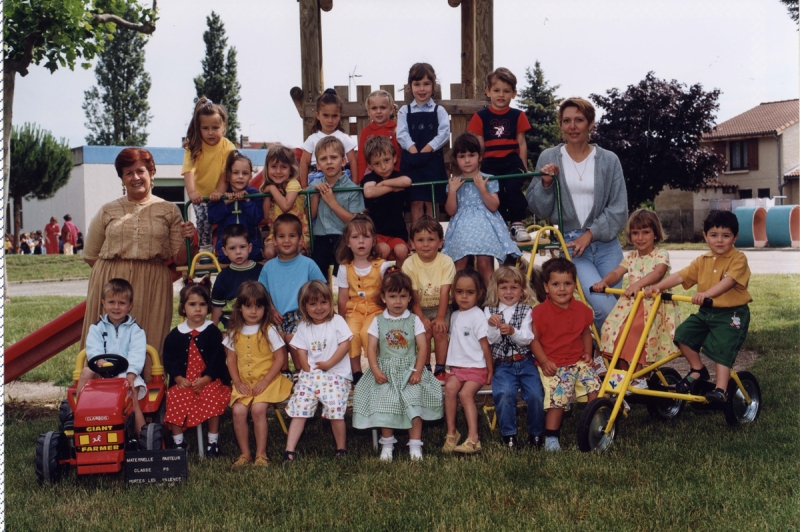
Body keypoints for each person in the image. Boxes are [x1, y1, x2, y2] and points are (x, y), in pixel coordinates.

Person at [82, 148, 197, 374]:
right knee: (106, 339)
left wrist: (189, 240)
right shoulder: (108, 210)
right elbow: (90, 254)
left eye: (140, 171)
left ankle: (147, 394)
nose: (135, 177)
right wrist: (109, 279)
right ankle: (97, 396)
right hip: (111, 280)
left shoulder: (168, 210)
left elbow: (179, 258)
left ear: (151, 173)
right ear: (122, 179)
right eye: (128, 173)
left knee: (149, 339)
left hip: (151, 282)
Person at [526, 97, 628, 330]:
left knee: (619, 306)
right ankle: (604, 357)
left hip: (607, 245)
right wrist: (545, 183)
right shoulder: (548, 157)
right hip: (572, 246)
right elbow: (539, 209)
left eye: (579, 120)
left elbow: (619, 208)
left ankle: (611, 361)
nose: (572, 126)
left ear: (591, 124)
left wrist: (591, 233)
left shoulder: (609, 160)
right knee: (604, 307)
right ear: (560, 125)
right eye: (566, 121)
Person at [646, 210, 751, 403]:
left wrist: (706, 294)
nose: (719, 240)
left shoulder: (738, 259)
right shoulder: (702, 261)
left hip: (731, 314)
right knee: (683, 334)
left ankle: (721, 389)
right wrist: (658, 286)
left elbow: (729, 281)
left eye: (726, 236)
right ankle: (698, 369)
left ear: (735, 237)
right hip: (707, 312)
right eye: (713, 235)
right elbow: (681, 275)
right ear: (705, 236)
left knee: (723, 347)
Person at [352, 272, 443, 462]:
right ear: (384, 298)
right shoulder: (378, 321)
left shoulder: (413, 320)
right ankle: (387, 443)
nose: (398, 301)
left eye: (403, 296)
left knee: (414, 399)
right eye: (392, 296)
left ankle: (415, 445)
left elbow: (423, 347)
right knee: (386, 400)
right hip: (384, 370)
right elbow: (370, 348)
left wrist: (418, 371)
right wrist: (375, 370)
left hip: (410, 369)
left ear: (410, 298)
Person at [593, 209, 681, 388]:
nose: (640, 238)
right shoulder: (631, 257)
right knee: (611, 328)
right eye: (635, 233)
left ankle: (639, 376)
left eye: (645, 232)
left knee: (638, 333)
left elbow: (658, 273)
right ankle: (625, 374)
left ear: (655, 234)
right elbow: (617, 272)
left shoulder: (660, 255)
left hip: (653, 305)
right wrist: (603, 282)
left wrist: (638, 284)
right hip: (632, 304)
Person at [532, 258, 600, 452]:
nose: (562, 289)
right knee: (558, 397)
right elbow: (533, 340)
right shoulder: (540, 312)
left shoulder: (581, 310)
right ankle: (551, 436)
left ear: (574, 285)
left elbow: (585, 332)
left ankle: (593, 423)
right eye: (556, 284)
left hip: (578, 360)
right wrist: (544, 361)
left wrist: (588, 353)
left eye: (567, 284)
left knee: (593, 385)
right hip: (554, 363)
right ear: (546, 287)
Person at [224, 281, 293, 467]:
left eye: (259, 306)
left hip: (268, 381)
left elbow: (280, 358)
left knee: (258, 409)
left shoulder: (268, 330)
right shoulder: (234, 332)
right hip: (244, 382)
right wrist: (237, 382)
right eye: (248, 306)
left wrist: (266, 380)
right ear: (239, 308)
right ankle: (245, 454)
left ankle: (261, 455)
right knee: (238, 411)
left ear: (265, 309)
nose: (253, 311)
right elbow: (231, 359)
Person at [284, 281, 353, 462]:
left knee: (334, 406)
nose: (319, 308)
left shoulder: (337, 321)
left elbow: (345, 344)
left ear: (330, 303)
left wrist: (329, 363)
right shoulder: (304, 327)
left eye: (323, 302)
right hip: (311, 375)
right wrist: (305, 367)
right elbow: (300, 349)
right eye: (312, 304)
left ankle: (341, 448)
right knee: (300, 405)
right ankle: (289, 450)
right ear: (305, 307)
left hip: (335, 374)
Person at [443, 132, 521, 286]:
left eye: (471, 155)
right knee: (459, 262)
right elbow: (451, 211)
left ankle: (491, 301)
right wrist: (452, 191)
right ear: (455, 160)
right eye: (461, 156)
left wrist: (482, 188)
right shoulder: (454, 182)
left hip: (486, 225)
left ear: (479, 157)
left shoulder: (487, 178)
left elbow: (493, 206)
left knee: (485, 262)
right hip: (462, 226)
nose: (467, 160)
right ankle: (459, 302)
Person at [163, 281, 231, 457]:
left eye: (202, 304)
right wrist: (178, 378)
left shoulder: (212, 331)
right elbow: (169, 359)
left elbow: (218, 359)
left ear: (208, 307)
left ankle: (212, 442)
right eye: (192, 304)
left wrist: (206, 378)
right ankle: (178, 443)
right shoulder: (175, 334)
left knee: (212, 396)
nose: (198, 309)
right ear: (183, 308)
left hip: (209, 378)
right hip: (184, 380)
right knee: (175, 396)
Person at [467, 67, 532, 242]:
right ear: (488, 92)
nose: (501, 95)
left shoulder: (518, 115)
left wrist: (523, 166)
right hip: (490, 162)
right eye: (496, 90)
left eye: (506, 91)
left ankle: (517, 223)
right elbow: (479, 144)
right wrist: (478, 168)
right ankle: (501, 225)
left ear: (514, 93)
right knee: (495, 191)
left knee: (513, 188)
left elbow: (521, 142)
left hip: (511, 161)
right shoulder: (480, 116)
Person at [258, 213, 326, 379]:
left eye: (292, 236)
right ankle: (282, 372)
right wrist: (272, 311)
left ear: (301, 239)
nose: (286, 241)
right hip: (276, 314)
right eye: (281, 236)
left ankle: (299, 370)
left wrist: (311, 309)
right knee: (276, 336)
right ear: (274, 240)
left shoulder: (308, 264)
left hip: (302, 314)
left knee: (293, 337)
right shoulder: (269, 267)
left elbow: (322, 288)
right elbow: (263, 292)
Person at [77, 279, 147, 436]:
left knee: (132, 396)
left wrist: (130, 375)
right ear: (103, 303)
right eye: (111, 302)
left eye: (121, 303)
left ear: (130, 305)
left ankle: (143, 439)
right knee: (86, 372)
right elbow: (93, 350)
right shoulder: (96, 328)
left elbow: (137, 354)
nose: (116, 307)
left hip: (127, 375)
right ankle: (78, 415)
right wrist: (102, 363)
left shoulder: (136, 331)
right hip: (102, 373)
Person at [484, 266, 544, 450]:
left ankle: (536, 433)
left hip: (525, 361)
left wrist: (512, 331)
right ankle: (509, 435)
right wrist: (493, 327)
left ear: (522, 290)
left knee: (535, 394)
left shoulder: (526, 310)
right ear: (495, 289)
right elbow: (490, 340)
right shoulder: (489, 311)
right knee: (504, 393)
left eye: (514, 287)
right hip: (503, 364)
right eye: (503, 288)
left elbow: (528, 338)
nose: (508, 292)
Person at [336, 214, 391, 383]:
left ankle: (377, 367)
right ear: (347, 241)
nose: (361, 241)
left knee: (368, 332)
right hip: (354, 311)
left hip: (376, 310)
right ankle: (356, 372)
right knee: (351, 333)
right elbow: (343, 297)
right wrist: (341, 320)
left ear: (374, 240)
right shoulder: (345, 268)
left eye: (366, 237)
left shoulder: (382, 266)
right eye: (355, 237)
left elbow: (387, 293)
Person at [442, 269, 493, 455]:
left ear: (479, 294)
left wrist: (490, 370)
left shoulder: (478, 316)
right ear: (453, 292)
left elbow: (486, 346)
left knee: (465, 395)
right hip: (456, 368)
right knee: (449, 390)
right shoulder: (455, 315)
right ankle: (452, 433)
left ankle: (473, 438)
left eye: (470, 292)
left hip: (476, 368)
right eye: (459, 292)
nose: (464, 297)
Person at [402, 216, 455, 381]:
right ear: (412, 243)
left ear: (440, 242)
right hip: (419, 308)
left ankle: (440, 368)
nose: (425, 244)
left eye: (431, 240)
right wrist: (421, 317)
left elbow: (445, 291)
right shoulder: (409, 264)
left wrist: (440, 317)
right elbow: (413, 295)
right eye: (420, 240)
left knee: (440, 331)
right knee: (423, 333)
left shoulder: (446, 262)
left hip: (442, 306)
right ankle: (424, 368)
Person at [182, 97, 236, 255]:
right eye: (205, 128)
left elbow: (226, 172)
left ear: (223, 127)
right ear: (198, 128)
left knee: (227, 218)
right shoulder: (193, 147)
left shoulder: (228, 146)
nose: (210, 132)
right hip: (202, 196)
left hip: (222, 193)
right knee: (204, 219)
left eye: (215, 127)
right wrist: (192, 193)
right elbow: (189, 171)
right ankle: (205, 249)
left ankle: (225, 249)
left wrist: (219, 192)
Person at [396, 63, 450, 222]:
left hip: (432, 162)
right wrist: (412, 149)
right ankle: (416, 237)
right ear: (409, 87)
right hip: (411, 162)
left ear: (433, 86)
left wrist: (428, 148)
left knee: (431, 200)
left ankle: (435, 236)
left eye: (426, 84)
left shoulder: (439, 111)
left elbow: (444, 132)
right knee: (416, 201)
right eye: (417, 84)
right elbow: (401, 133)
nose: (422, 89)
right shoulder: (404, 110)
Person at [308, 136, 365, 277]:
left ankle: (342, 297)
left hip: (344, 237)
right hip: (321, 237)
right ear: (318, 165)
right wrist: (315, 194)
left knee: (342, 271)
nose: (329, 162)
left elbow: (355, 221)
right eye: (323, 159)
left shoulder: (352, 188)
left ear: (343, 161)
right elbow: (311, 216)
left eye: (334, 157)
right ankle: (322, 297)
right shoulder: (313, 186)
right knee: (317, 270)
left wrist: (332, 202)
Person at [361, 135, 412, 268]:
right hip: (377, 231)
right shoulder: (370, 177)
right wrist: (393, 188)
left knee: (402, 251)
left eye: (387, 160)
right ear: (369, 165)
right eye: (377, 163)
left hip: (397, 230)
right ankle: (380, 284)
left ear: (394, 158)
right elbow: (369, 192)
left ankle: (399, 283)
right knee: (382, 250)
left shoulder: (397, 175)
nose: (383, 167)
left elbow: (407, 181)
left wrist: (383, 184)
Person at [208, 151, 264, 263]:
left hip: (250, 242)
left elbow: (257, 218)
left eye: (245, 173)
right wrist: (226, 202)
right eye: (235, 172)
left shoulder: (254, 194)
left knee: (254, 255)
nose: (240, 177)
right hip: (227, 244)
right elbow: (212, 218)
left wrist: (247, 201)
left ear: (250, 177)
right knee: (224, 258)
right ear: (228, 176)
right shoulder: (221, 194)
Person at [299, 89, 358, 187]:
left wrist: (355, 183)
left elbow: (352, 161)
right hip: (317, 178)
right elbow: (304, 163)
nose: (330, 120)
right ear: (318, 115)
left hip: (341, 177)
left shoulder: (344, 138)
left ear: (340, 116)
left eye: (334, 116)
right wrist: (305, 187)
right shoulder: (312, 139)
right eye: (325, 115)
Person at [260, 144, 311, 259]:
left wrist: (272, 189)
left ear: (291, 169)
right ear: (267, 168)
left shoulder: (293, 183)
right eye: (273, 166)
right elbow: (266, 214)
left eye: (283, 167)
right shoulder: (268, 187)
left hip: (297, 234)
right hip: (277, 234)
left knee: (294, 252)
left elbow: (286, 206)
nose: (278, 171)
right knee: (268, 252)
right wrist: (267, 195)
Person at [210, 224, 264, 328]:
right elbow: (217, 308)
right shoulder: (223, 277)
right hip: (232, 324)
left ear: (249, 247)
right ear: (225, 251)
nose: (238, 252)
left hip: (258, 323)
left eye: (242, 247)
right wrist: (212, 332)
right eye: (232, 248)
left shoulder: (261, 271)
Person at [357, 89, 401, 181]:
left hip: (395, 174)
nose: (378, 111)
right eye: (374, 108)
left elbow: (401, 155)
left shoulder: (397, 129)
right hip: (373, 175)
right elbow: (362, 159)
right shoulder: (366, 131)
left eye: (383, 107)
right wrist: (361, 180)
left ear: (391, 110)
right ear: (368, 111)